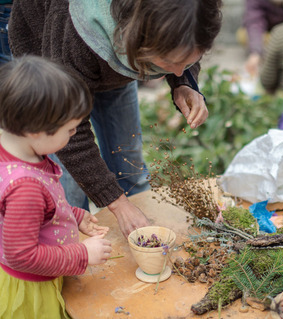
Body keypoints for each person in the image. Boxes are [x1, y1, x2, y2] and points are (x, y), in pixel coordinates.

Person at [8, 0, 223, 239]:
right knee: (69, 192)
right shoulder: (76, 32)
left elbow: (187, 39)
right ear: (135, 36)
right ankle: (74, 259)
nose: (178, 70)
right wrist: (117, 203)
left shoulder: (187, 15)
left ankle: (141, 237)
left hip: (114, 63)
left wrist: (183, 83)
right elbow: (71, 138)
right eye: (169, 63)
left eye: (187, 61)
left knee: (129, 166)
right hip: (53, 62)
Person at [0, 56, 112, 319]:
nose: (74, 135)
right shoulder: (25, 187)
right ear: (37, 131)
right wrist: (83, 254)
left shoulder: (16, 150)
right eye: (71, 129)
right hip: (31, 294)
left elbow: (38, 214)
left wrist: (74, 216)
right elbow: (21, 255)